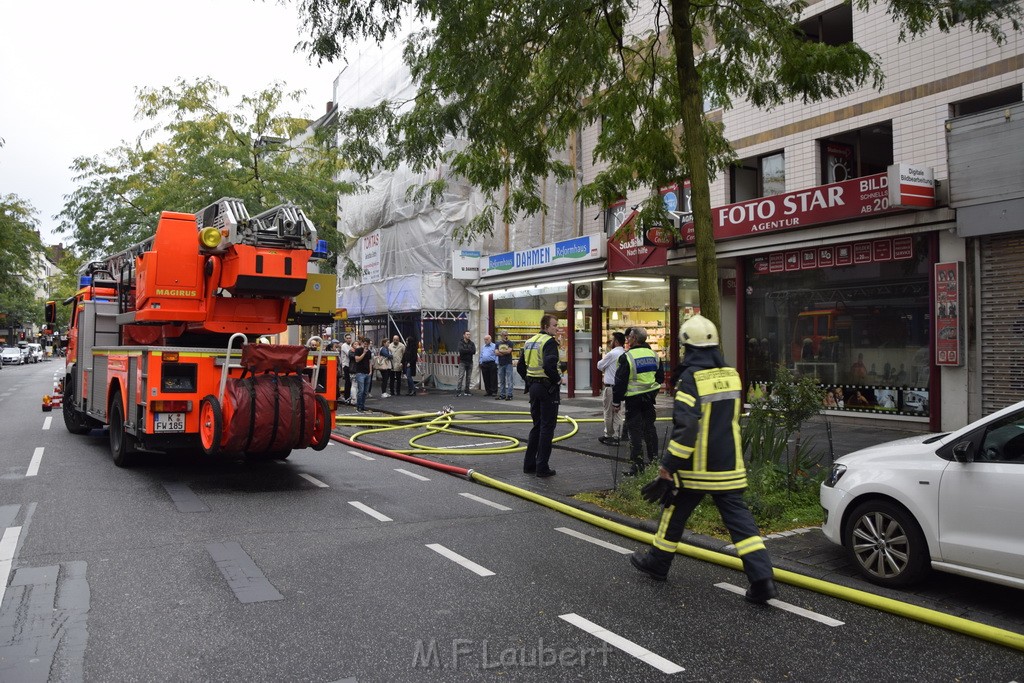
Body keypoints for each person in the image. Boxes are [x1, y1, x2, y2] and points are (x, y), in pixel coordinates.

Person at [629, 315, 778, 603]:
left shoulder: (691, 379)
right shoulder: (732, 374)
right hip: (730, 466)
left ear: (688, 347)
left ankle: (658, 563)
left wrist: (668, 466)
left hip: (697, 469)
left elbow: (687, 429)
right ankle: (763, 580)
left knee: (673, 511)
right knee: (742, 524)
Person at [612, 327, 664, 476]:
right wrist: (652, 390)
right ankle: (654, 461)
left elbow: (620, 381)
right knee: (650, 429)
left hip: (633, 400)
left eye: (629, 338)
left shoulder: (627, 357)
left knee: (635, 432)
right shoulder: (654, 355)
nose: (627, 340)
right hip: (649, 399)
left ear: (634, 339)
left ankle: (638, 465)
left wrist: (616, 402)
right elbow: (660, 378)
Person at [516, 314, 561, 477]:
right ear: (546, 326)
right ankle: (542, 467)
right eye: (555, 325)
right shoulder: (549, 342)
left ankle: (529, 465)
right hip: (547, 389)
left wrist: (529, 380)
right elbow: (550, 365)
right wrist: (557, 380)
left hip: (534, 387)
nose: (557, 328)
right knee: (547, 428)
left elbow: (520, 366)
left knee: (536, 426)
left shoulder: (530, 341)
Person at [596, 332, 626, 445]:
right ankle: (616, 436)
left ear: (616, 341)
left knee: (608, 412)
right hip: (621, 387)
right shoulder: (625, 353)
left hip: (610, 388)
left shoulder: (611, 354)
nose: (611, 342)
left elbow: (599, 365)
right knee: (618, 413)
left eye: (612, 340)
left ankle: (608, 435)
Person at [349, 337, 372, 412]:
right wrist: (364, 353)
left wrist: (370, 371)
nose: (365, 346)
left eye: (367, 344)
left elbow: (369, 362)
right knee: (361, 390)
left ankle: (362, 405)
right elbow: (357, 359)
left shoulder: (369, 352)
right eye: (364, 344)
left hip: (367, 372)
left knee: (365, 391)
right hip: (360, 372)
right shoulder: (358, 350)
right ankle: (358, 406)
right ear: (362, 343)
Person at [495, 330, 515, 400]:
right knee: (502, 380)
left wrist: (501, 351)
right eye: (504, 335)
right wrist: (504, 352)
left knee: (509, 380)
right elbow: (496, 352)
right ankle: (502, 394)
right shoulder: (498, 343)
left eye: (507, 335)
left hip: (508, 363)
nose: (506, 336)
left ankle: (509, 394)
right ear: (501, 335)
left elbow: (509, 351)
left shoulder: (510, 343)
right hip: (501, 363)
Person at [456, 330, 476, 396]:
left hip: (470, 362)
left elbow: (474, 351)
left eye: (469, 334)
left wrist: (466, 351)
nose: (469, 336)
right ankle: (458, 390)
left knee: (469, 377)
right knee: (461, 376)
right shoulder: (460, 343)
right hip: (463, 362)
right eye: (467, 334)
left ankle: (467, 390)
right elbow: (461, 350)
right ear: (464, 335)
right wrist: (469, 350)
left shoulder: (472, 343)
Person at [339, 333, 353, 404]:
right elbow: (349, 353)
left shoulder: (351, 345)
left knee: (350, 382)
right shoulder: (344, 346)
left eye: (349, 338)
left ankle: (350, 396)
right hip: (346, 365)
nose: (349, 339)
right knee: (347, 382)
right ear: (345, 339)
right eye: (347, 338)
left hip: (351, 365)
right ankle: (346, 397)